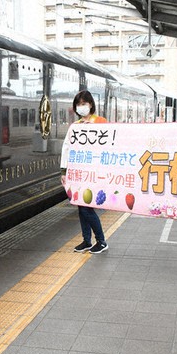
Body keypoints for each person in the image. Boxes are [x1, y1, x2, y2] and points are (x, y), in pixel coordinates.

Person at [62, 90, 108, 254]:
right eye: (78, 104)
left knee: (86, 208)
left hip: (94, 172)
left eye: (84, 103)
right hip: (79, 173)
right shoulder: (75, 127)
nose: (81, 107)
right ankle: (87, 240)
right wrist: (64, 171)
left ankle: (101, 241)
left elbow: (110, 146)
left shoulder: (101, 122)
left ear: (91, 104)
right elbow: (67, 148)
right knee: (81, 206)